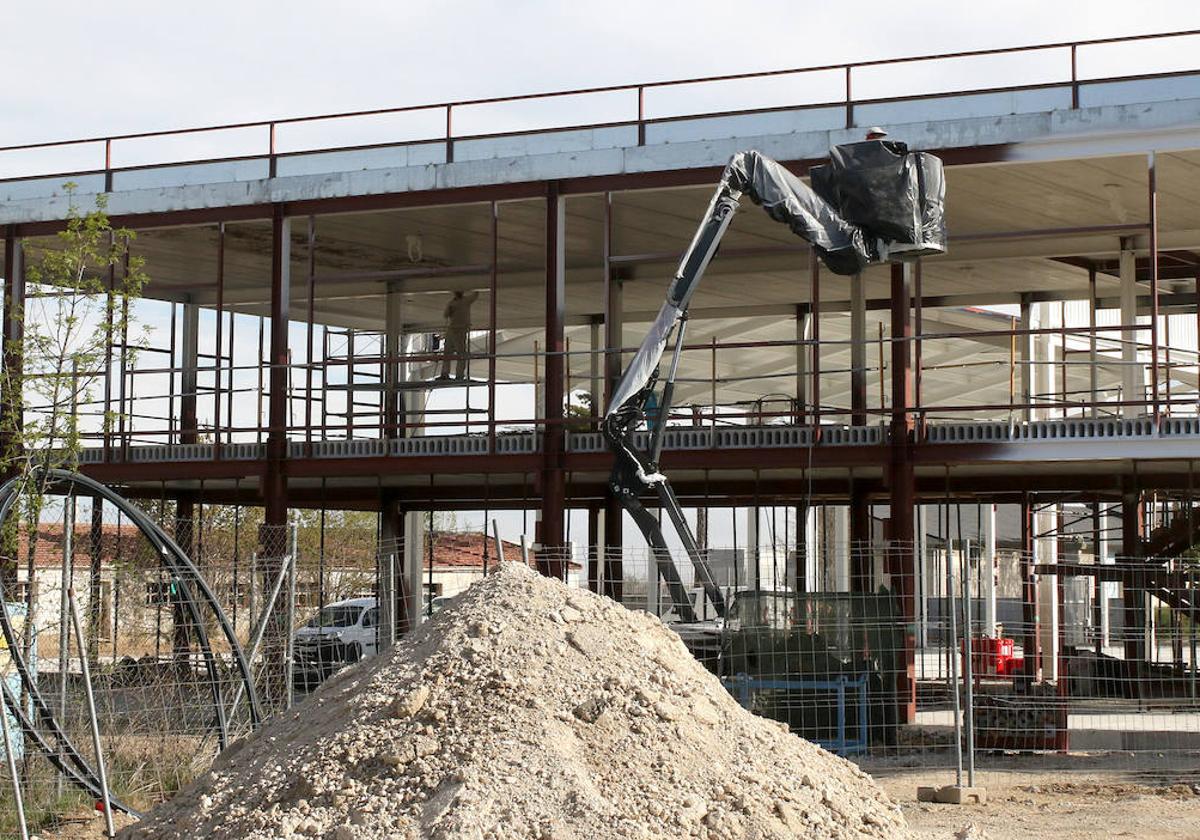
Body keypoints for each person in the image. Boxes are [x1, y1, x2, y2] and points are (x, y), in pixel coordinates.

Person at [439, 290, 479, 380]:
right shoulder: (458, 302)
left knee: (456, 353)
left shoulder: (462, 301)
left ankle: (455, 374)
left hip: (459, 329)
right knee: (450, 352)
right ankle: (450, 374)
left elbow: (476, 295)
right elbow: (445, 315)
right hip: (455, 329)